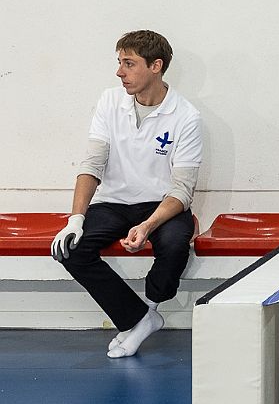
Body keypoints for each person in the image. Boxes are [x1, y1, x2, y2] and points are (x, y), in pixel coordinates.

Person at [51, 30, 202, 358]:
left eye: (129, 64)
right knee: (70, 248)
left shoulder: (186, 116)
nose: (120, 72)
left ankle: (150, 308)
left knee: (175, 244)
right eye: (120, 62)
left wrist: (147, 226)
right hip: (114, 203)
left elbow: (181, 189)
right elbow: (92, 164)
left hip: (162, 205)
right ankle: (139, 319)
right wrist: (75, 219)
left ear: (155, 66)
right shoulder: (110, 101)